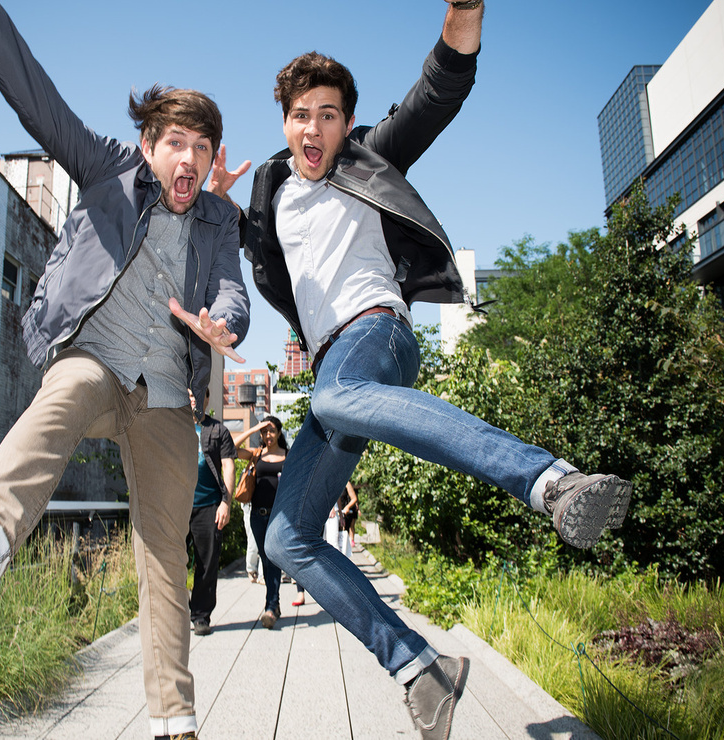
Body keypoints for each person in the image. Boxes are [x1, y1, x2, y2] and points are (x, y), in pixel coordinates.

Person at [209, 2, 631, 738]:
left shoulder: (369, 156)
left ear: (347, 124)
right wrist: (221, 209)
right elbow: (256, 254)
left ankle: (550, 481)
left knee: (335, 397)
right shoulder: (271, 193)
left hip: (377, 332)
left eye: (329, 115)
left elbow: (438, 91)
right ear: (284, 122)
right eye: (301, 115)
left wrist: (463, 13)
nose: (314, 129)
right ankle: (419, 668)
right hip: (335, 372)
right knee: (286, 537)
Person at [0, 2, 249, 738]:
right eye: (175, 143)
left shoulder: (220, 221)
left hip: (164, 398)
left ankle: (175, 722)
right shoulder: (107, 167)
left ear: (214, 157)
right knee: (59, 403)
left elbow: (231, 290)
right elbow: (35, 97)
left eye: (202, 147)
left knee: (164, 555)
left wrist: (225, 323)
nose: (188, 160)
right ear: (147, 145)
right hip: (95, 359)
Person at [187, 390, 236, 636]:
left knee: (207, 563)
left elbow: (228, 465)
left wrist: (226, 502)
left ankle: (200, 615)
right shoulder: (173, 426)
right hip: (177, 505)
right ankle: (175, 611)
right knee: (171, 562)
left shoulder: (218, 430)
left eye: (198, 394)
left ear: (207, 398)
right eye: (189, 394)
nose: (193, 399)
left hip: (208, 506)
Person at [233, 416, 288, 628]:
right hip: (258, 514)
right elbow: (232, 448)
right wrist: (254, 428)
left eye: (271, 430)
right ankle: (274, 604)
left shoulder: (287, 455)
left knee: (273, 558)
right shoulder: (256, 454)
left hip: (279, 516)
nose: (268, 435)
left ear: (279, 433)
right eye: (264, 432)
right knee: (265, 559)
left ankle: (270, 607)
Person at [337, 482, 359, 558]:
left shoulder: (346, 483)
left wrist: (347, 507)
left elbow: (354, 498)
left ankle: (343, 556)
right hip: (334, 514)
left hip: (344, 514)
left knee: (342, 536)